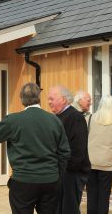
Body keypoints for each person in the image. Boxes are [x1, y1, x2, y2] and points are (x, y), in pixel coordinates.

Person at [0, 82, 70, 214]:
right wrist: (56, 174)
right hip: (50, 181)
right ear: (39, 97)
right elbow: (65, 152)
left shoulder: (13, 120)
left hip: (23, 181)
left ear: (21, 99)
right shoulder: (54, 120)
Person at [47, 85, 91, 214]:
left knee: (68, 209)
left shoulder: (75, 117)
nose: (49, 102)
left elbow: (78, 150)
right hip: (61, 173)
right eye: (48, 99)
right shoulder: (57, 117)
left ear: (64, 99)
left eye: (52, 99)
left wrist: (66, 171)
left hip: (71, 174)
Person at [87, 95, 112, 214]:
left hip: (91, 163)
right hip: (108, 164)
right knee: (104, 196)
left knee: (91, 195)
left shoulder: (90, 119)